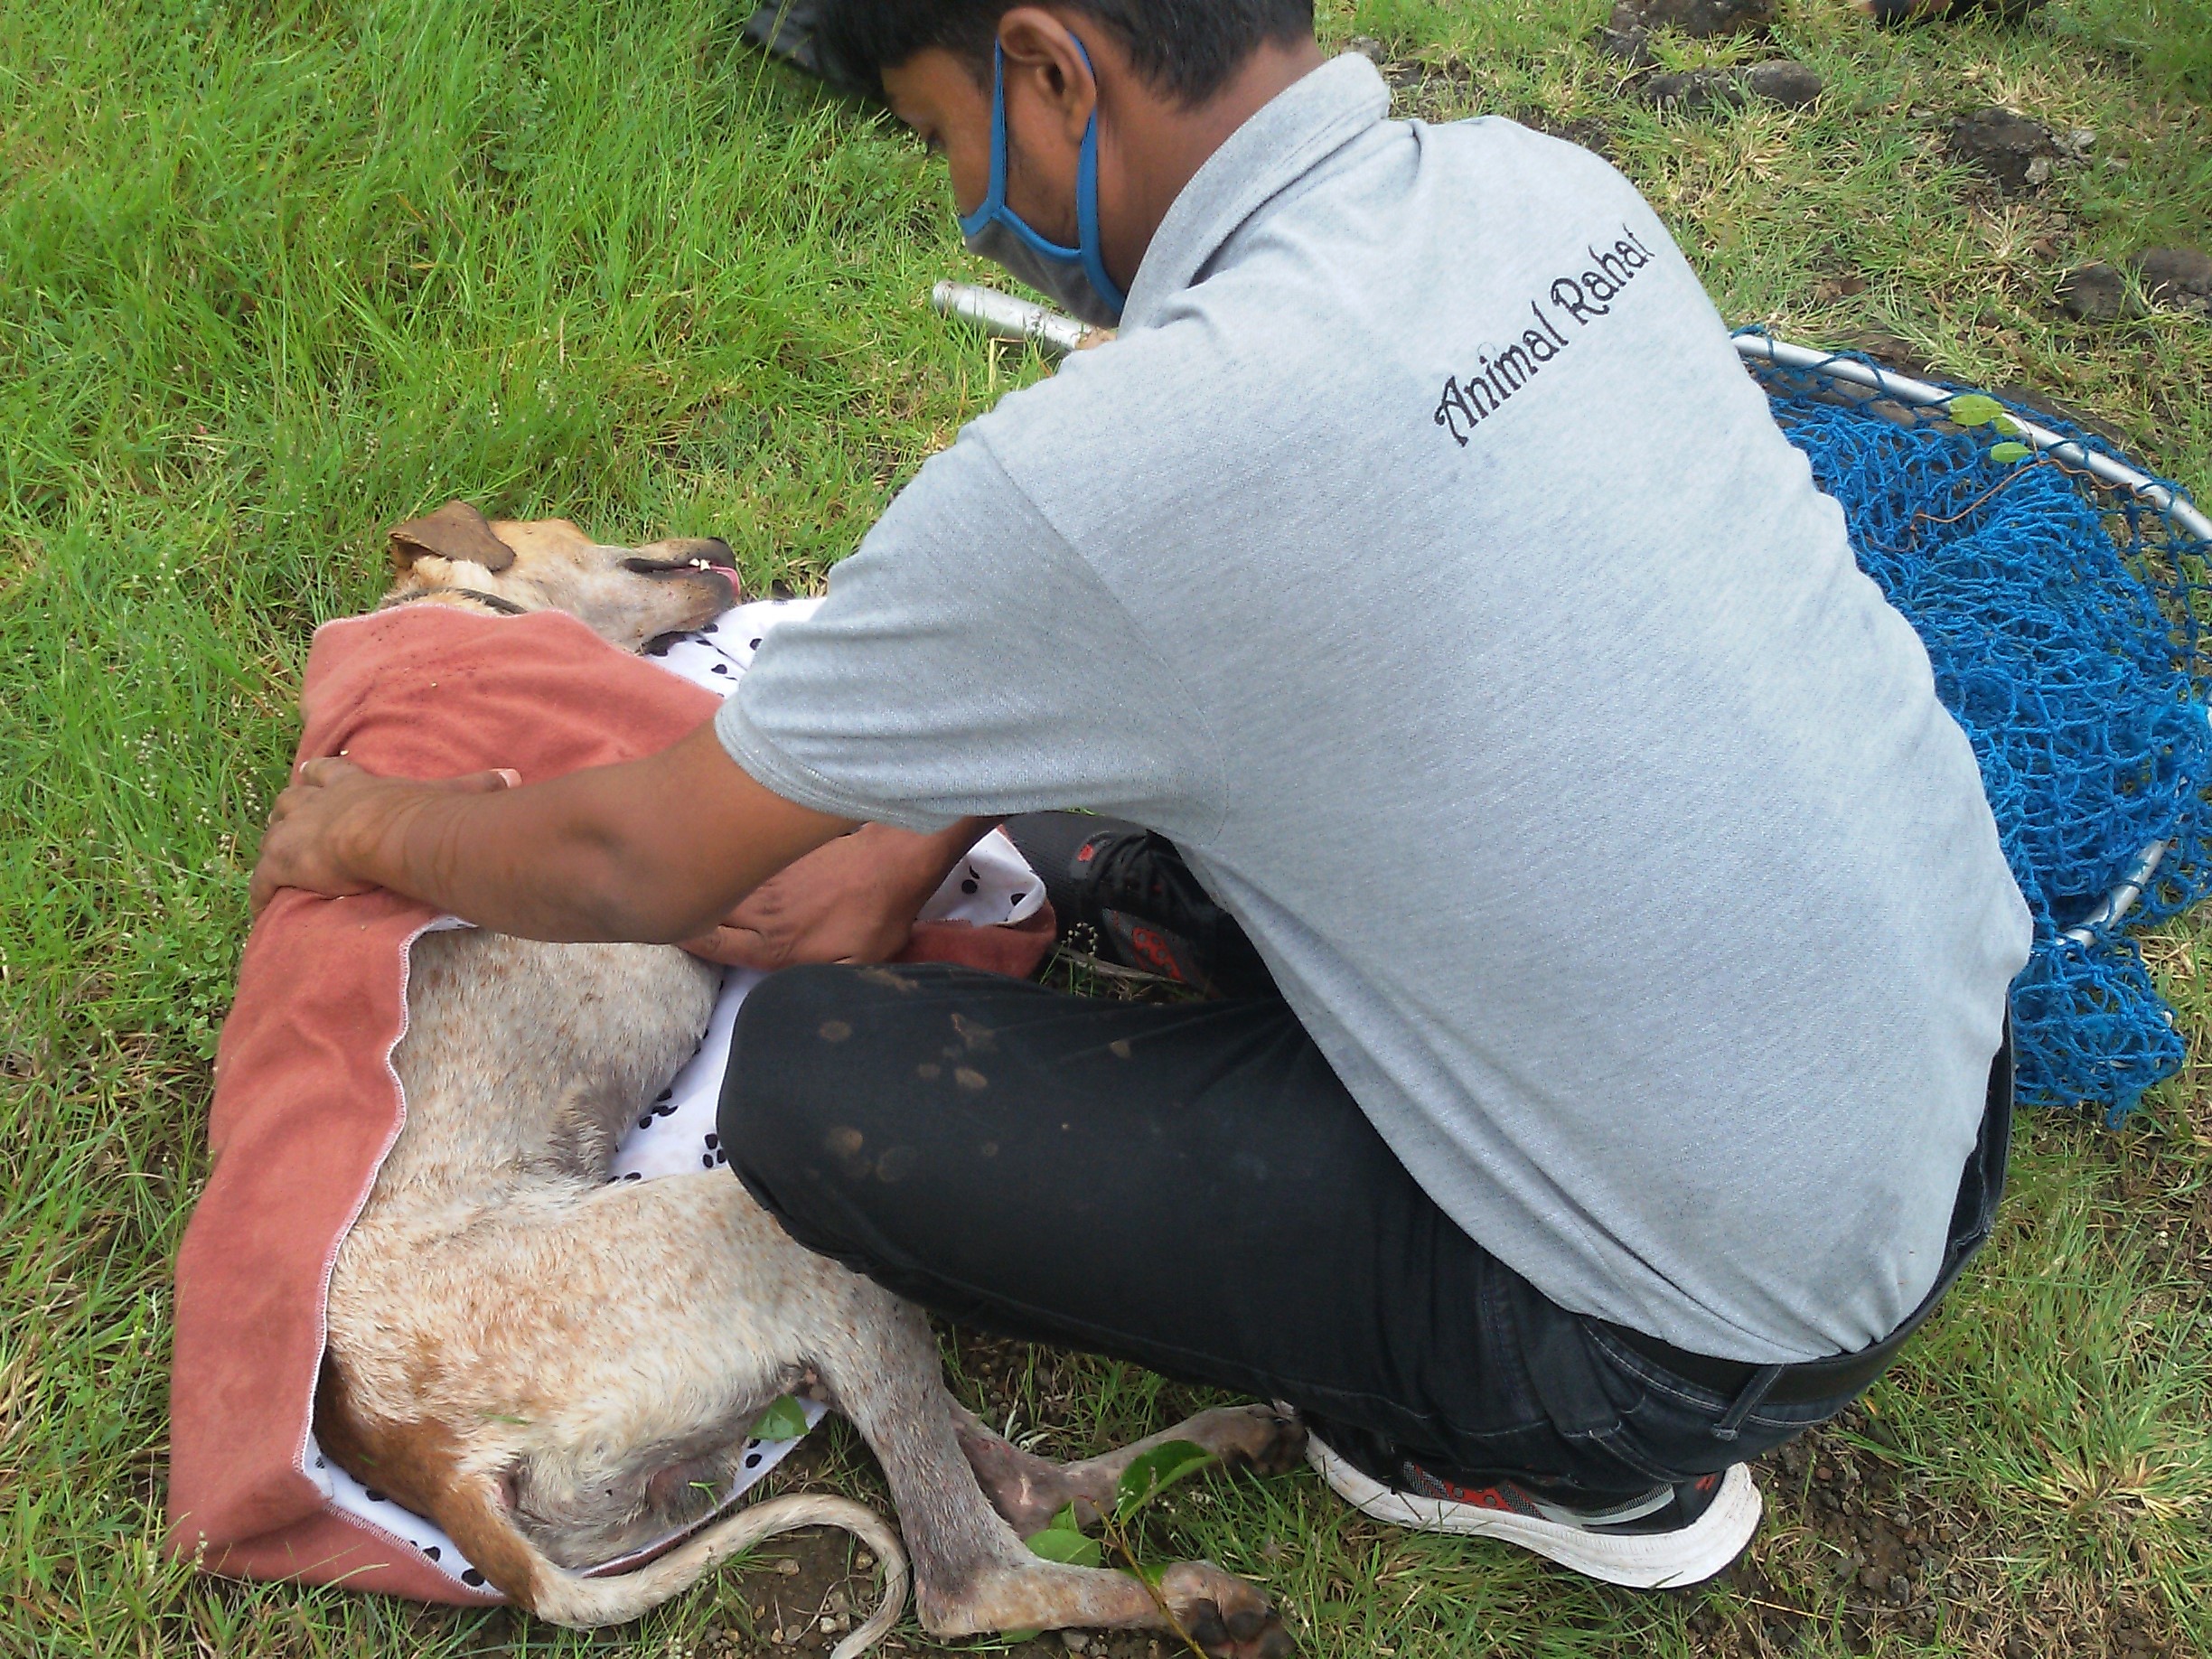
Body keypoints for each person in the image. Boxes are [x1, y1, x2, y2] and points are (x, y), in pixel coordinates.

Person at [251, 0, 2030, 1591]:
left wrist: (362, 830)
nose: (963, 201)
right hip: (1948, 1107)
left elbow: (631, 846)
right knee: (1127, 841)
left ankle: (1536, 1465)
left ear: (1046, 67)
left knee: (819, 1091)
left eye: (946, 129)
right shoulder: (1545, 193)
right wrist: (925, 813)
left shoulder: (1114, 475)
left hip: (1675, 1336)